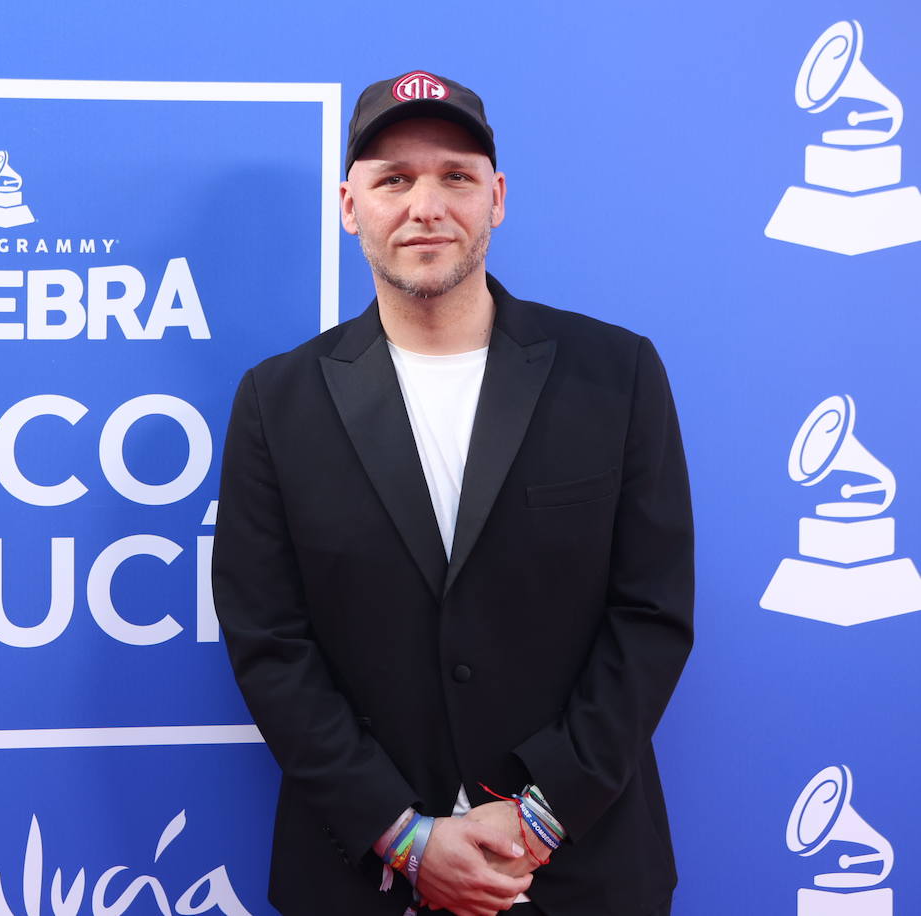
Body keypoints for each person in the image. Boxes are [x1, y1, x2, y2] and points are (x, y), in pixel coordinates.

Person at [212, 70, 694, 916]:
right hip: (361, 881)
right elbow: (268, 642)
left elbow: (651, 615)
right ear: (348, 204)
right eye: (393, 180)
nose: (425, 205)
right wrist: (405, 837)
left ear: (496, 197)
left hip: (579, 876)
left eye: (455, 177)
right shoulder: (275, 401)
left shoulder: (615, 375)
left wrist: (540, 818)